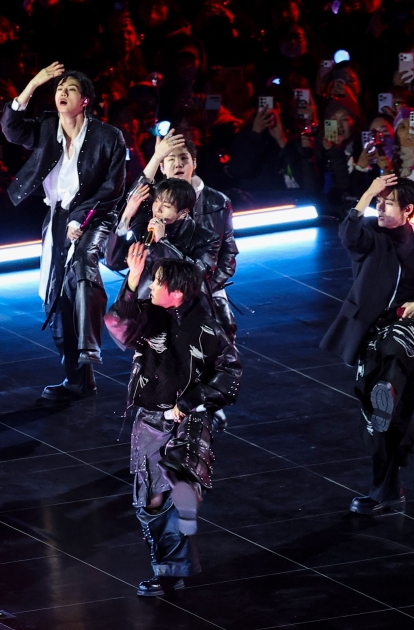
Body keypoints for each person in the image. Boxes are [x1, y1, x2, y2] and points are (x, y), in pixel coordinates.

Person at [320, 175, 414, 514]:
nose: (380, 208)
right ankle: (388, 487)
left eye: (388, 203)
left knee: (398, 345)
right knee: (382, 420)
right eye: (378, 202)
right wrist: (367, 193)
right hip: (371, 334)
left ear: (409, 210)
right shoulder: (370, 236)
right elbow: (348, 234)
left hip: (413, 336)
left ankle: (388, 389)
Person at [105, 254, 241, 597]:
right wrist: (132, 279)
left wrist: (191, 400)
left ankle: (169, 571)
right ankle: (172, 566)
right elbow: (119, 324)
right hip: (151, 422)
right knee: (151, 500)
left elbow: (230, 373)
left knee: (174, 492)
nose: (151, 287)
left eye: (157, 281)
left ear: (177, 292)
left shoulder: (207, 329)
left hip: (188, 422)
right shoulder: (148, 317)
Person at [1, 63, 126, 400]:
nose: (62, 93)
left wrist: (79, 219)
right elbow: (12, 130)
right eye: (59, 88)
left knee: (81, 270)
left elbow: (112, 189)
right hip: (57, 217)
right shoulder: (46, 127)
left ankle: (90, 347)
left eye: (70, 89)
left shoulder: (108, 137)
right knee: (55, 301)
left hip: (95, 216)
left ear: (85, 100)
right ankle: (78, 379)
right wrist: (33, 84)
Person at [135, 132, 239, 339]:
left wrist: (205, 286)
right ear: (162, 167)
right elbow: (132, 197)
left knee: (222, 333)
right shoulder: (151, 201)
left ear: (194, 163)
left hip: (205, 285)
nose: (178, 164)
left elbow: (228, 252)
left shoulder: (218, 202)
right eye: (170, 159)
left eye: (184, 158)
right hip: (159, 287)